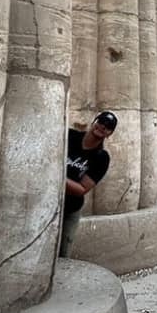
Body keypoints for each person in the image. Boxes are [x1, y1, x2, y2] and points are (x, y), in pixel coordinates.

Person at [60, 111, 117, 258]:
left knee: (63, 254)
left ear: (110, 134)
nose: (102, 127)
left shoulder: (101, 158)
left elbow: (82, 189)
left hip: (70, 209)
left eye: (108, 127)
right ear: (94, 122)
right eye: (101, 122)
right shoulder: (69, 136)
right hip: (48, 202)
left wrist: (57, 177)